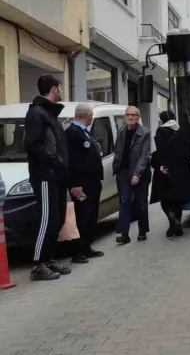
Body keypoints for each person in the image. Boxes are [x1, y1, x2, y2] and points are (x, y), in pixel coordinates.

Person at [23, 75, 72, 281]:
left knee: (58, 219)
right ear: (53, 89)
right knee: (47, 219)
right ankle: (38, 265)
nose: (61, 92)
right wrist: (56, 161)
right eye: (59, 88)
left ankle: (49, 258)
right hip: (45, 175)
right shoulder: (36, 113)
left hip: (57, 175)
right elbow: (34, 145)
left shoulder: (50, 114)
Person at [65, 103, 104, 263]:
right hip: (81, 184)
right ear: (86, 115)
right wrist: (75, 183)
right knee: (82, 216)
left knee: (90, 216)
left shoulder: (83, 132)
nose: (92, 118)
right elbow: (72, 161)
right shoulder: (72, 133)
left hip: (92, 182)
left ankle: (86, 246)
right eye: (91, 115)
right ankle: (77, 252)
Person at [150, 111, 190, 238]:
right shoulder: (183, 131)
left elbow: (161, 150)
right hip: (181, 170)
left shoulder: (161, 131)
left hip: (166, 169)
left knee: (165, 199)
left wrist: (162, 165)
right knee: (178, 200)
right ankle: (177, 222)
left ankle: (171, 219)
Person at [112, 106, 152, 244]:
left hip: (139, 174)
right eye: (128, 115)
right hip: (123, 172)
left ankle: (142, 231)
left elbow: (144, 156)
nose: (130, 117)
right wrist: (115, 167)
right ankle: (124, 233)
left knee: (141, 203)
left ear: (138, 117)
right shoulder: (121, 131)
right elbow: (118, 150)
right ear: (124, 117)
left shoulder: (145, 132)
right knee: (124, 202)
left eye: (134, 115)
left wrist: (137, 174)